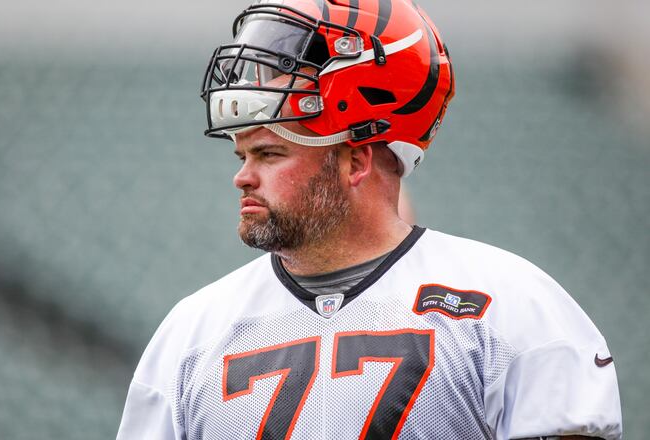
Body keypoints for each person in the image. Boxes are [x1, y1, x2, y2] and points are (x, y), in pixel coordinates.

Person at [116, 0, 622, 438]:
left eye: (269, 155)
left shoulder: (513, 307)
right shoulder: (191, 331)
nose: (243, 178)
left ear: (356, 162)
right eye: (241, 157)